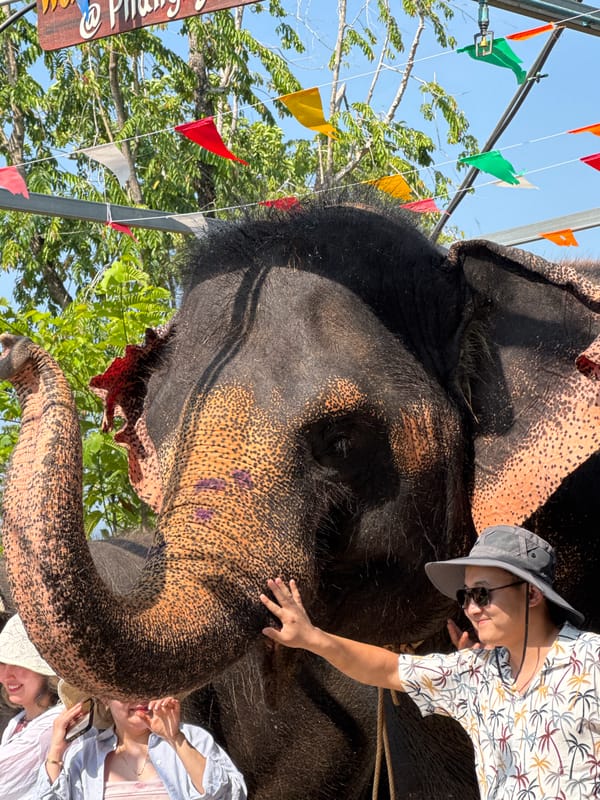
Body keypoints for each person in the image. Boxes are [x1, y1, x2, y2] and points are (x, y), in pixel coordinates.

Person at [260, 524, 600, 800]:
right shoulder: (476, 673)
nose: (470, 608)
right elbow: (389, 669)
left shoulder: (591, 660)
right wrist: (312, 637)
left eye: (482, 593)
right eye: (465, 596)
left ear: (532, 594)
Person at [37, 686, 247, 800]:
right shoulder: (86, 755)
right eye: (125, 688)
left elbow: (230, 796)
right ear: (104, 699)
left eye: (148, 686)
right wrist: (55, 752)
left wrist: (175, 739)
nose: (140, 697)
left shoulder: (193, 739)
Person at [0, 613, 62, 800]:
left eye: (19, 664)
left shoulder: (52, 725)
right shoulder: (19, 721)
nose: (7, 675)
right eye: (3, 664)